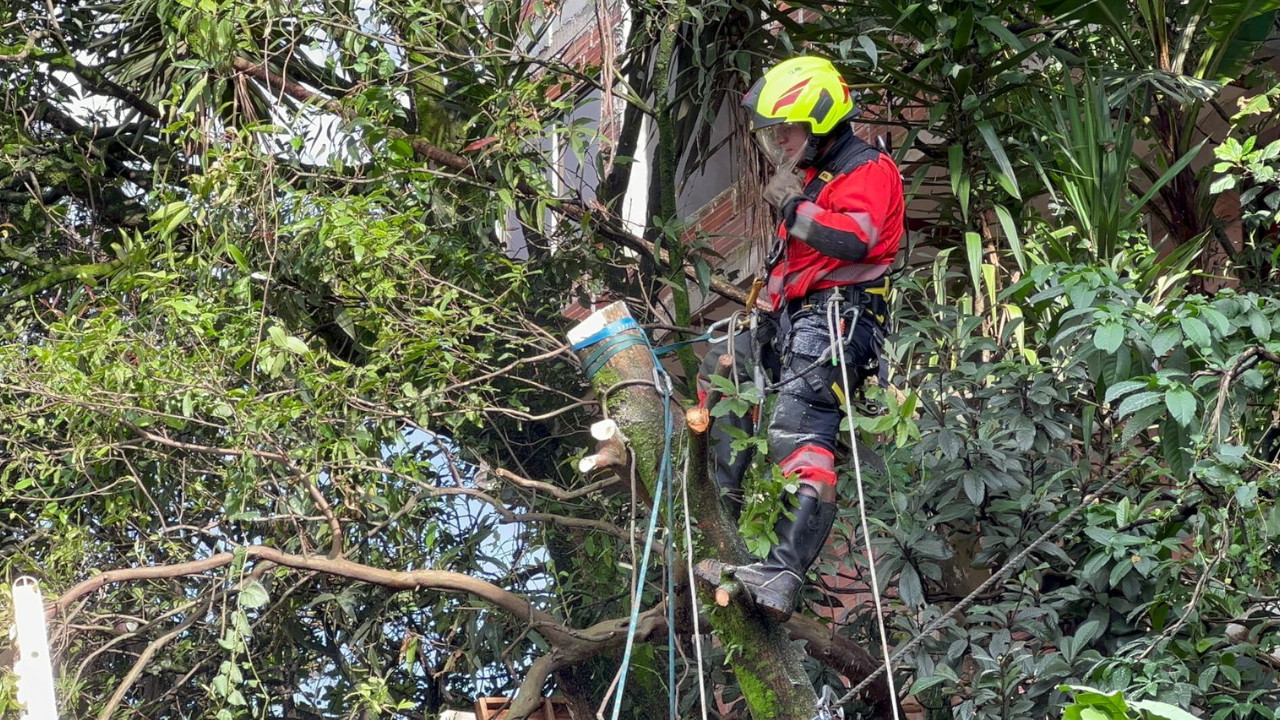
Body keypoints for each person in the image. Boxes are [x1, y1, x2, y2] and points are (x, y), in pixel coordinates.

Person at [697, 56, 905, 622]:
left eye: (786, 129)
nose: (779, 142)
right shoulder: (820, 177)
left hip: (839, 319)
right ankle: (721, 503)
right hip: (796, 317)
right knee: (726, 370)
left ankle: (783, 572)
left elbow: (856, 241)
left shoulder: (868, 168)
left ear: (820, 118)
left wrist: (793, 206)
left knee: (798, 430)